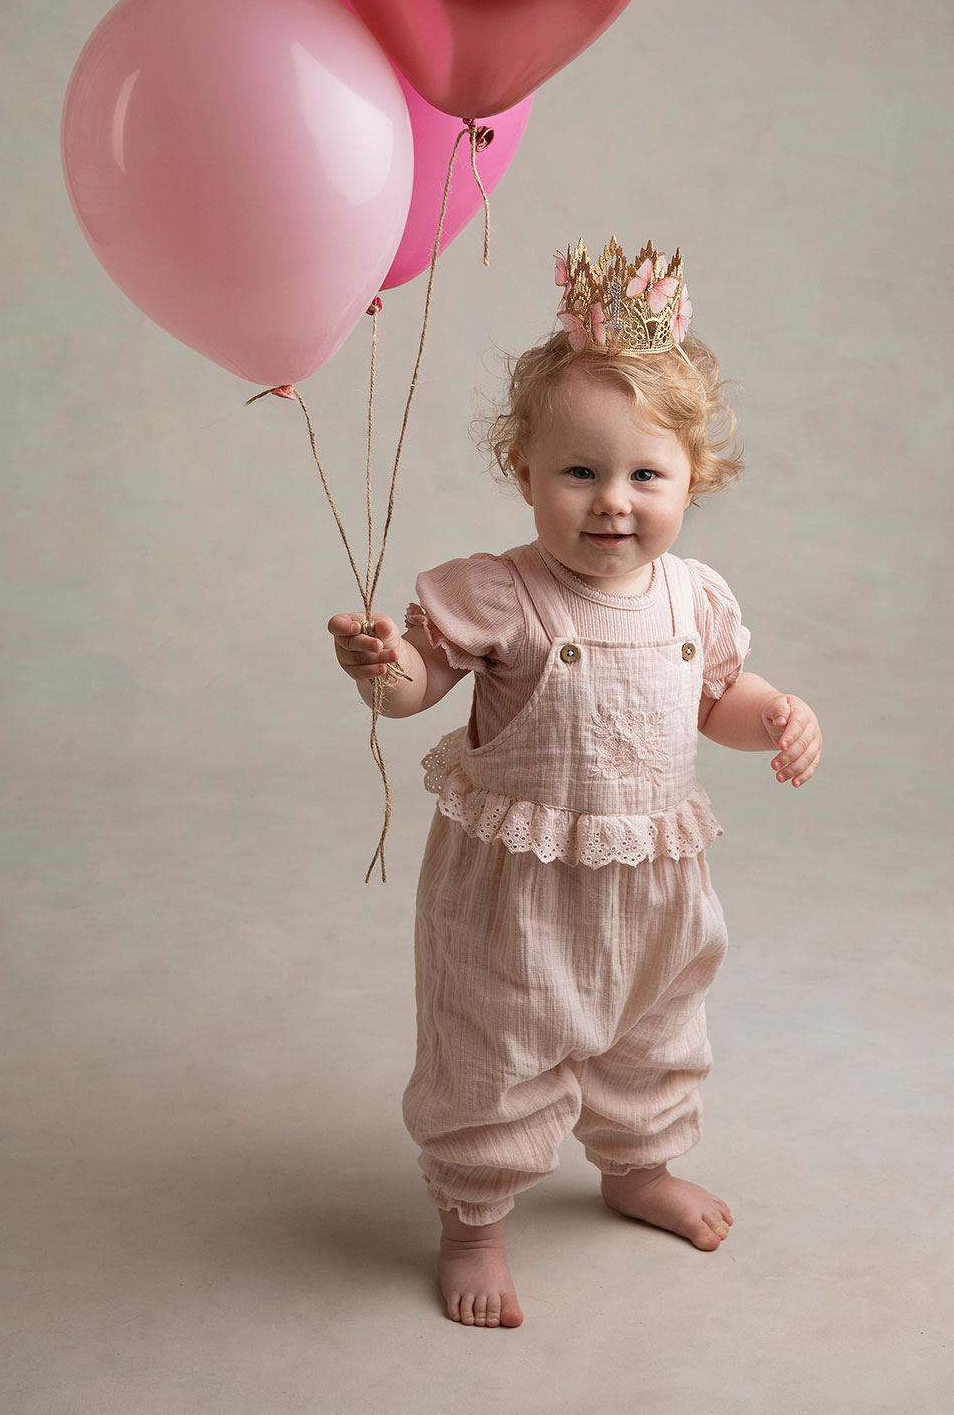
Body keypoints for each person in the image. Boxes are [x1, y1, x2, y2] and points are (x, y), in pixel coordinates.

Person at [328, 237, 822, 1329]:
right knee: (495, 1056)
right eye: (580, 472)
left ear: (696, 476)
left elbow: (716, 701)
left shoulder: (694, 599)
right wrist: (385, 667)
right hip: (516, 900)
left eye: (647, 474)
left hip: (650, 884)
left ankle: (637, 1167)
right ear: (526, 474)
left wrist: (778, 715)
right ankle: (474, 1220)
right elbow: (421, 690)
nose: (613, 502)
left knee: (656, 1038)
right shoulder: (500, 594)